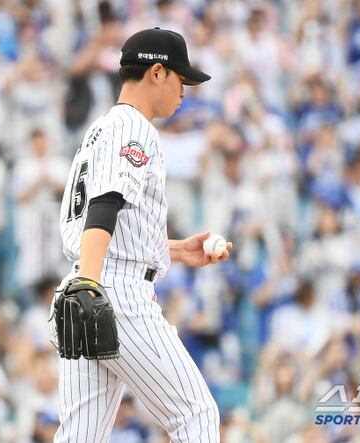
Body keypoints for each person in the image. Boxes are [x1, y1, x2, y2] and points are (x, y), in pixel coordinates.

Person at [50, 28, 232, 443]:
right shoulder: (134, 127)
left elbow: (106, 222)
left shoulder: (102, 128)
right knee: (196, 414)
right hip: (112, 289)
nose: (184, 91)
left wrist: (175, 250)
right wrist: (90, 284)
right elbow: (105, 205)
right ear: (157, 72)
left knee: (80, 437)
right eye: (181, 79)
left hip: (88, 278)